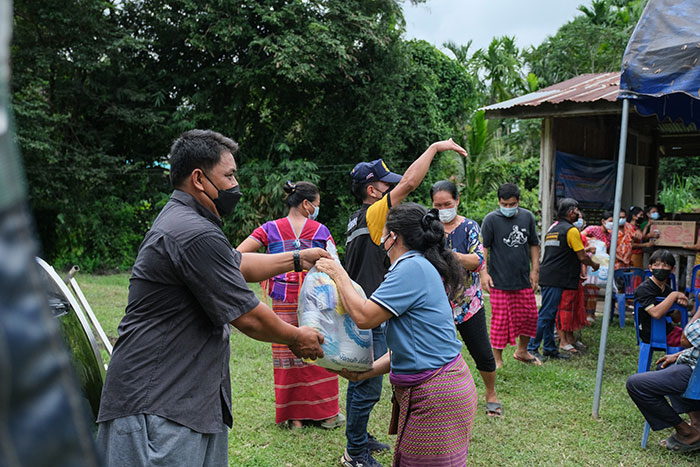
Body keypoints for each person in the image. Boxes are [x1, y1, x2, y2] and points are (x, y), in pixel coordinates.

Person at [96, 130, 327, 467]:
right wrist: (295, 336)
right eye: (230, 175)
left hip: (184, 398)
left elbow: (236, 263)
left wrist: (296, 259)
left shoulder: (188, 222)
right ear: (199, 179)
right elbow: (246, 315)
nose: (236, 186)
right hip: (158, 406)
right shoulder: (193, 232)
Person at [317, 204, 478, 467]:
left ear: (394, 237)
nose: (381, 238)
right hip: (444, 390)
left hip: (438, 396)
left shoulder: (410, 269)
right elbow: (409, 347)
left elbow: (364, 316)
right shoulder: (417, 266)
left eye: (384, 232)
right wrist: (366, 372)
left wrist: (337, 272)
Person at [342, 139, 467, 467]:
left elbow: (407, 344)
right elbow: (412, 181)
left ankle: (357, 444)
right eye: (386, 186)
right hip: (376, 310)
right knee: (366, 390)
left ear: (395, 236)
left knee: (366, 389)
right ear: (372, 191)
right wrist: (435, 148)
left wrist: (333, 269)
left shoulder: (405, 263)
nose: (395, 190)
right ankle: (355, 449)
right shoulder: (374, 216)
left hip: (433, 386)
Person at [237, 181, 342, 429]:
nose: (317, 208)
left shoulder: (269, 228)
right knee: (320, 349)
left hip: (282, 300)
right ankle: (326, 415)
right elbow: (335, 266)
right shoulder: (320, 230)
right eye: (316, 204)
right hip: (316, 302)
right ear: (306, 204)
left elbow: (237, 256)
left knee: (288, 355)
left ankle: (295, 419)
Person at [431, 180, 502, 417]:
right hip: (437, 305)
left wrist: (449, 255)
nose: (443, 209)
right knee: (437, 354)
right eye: (438, 205)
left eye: (447, 204)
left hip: (468, 304)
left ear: (457, 200)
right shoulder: (428, 227)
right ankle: (439, 397)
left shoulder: (470, 227)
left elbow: (478, 261)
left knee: (482, 351)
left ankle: (491, 393)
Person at [528, 198, 599, 362]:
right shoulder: (571, 230)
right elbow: (581, 255)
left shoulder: (553, 229)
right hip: (557, 278)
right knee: (546, 314)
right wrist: (594, 264)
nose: (578, 214)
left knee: (550, 314)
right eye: (576, 211)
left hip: (549, 275)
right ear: (571, 212)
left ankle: (549, 349)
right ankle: (532, 348)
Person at [480, 183, 542, 367]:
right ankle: (497, 360)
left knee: (530, 316)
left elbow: (534, 244)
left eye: (512, 204)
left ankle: (522, 351)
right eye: (504, 204)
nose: (508, 208)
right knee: (499, 321)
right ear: (499, 202)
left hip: (523, 279)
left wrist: (535, 270)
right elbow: (484, 248)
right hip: (499, 280)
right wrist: (484, 273)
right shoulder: (491, 220)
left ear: (518, 201)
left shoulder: (527, 217)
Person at [626, 306, 700, 452]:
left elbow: (685, 339)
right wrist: (678, 355)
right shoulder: (648, 291)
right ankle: (697, 424)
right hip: (692, 364)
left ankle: (687, 432)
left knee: (636, 384)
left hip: (695, 374)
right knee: (665, 366)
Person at [634, 249, 688, 348]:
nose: (661, 268)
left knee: (694, 336)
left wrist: (679, 305)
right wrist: (673, 296)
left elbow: (677, 319)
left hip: (668, 330)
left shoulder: (667, 290)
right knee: (693, 342)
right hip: (650, 334)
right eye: (657, 265)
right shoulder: (643, 289)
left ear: (673, 269)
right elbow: (656, 313)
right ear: (650, 268)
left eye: (665, 265)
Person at [555, 212, 589, 354]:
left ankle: (570, 338)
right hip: (563, 278)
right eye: (577, 215)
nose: (579, 218)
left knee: (573, 309)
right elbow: (580, 255)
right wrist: (593, 265)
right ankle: (563, 341)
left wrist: (583, 271)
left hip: (573, 277)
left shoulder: (574, 232)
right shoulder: (566, 230)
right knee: (564, 310)